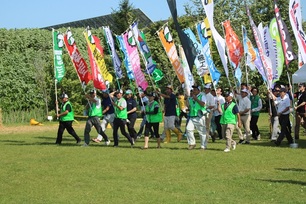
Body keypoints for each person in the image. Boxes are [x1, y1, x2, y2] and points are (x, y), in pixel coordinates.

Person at [185, 85, 207, 150]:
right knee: (188, 129)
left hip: (200, 116)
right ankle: (192, 143)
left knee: (202, 132)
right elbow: (189, 106)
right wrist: (186, 99)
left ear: (198, 90)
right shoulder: (191, 98)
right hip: (192, 116)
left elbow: (203, 104)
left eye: (195, 89)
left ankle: (203, 146)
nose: (193, 91)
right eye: (193, 89)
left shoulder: (202, 96)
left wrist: (196, 99)